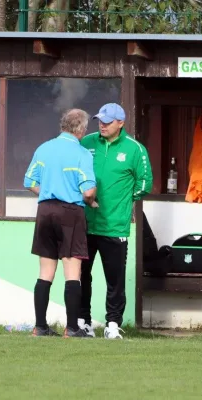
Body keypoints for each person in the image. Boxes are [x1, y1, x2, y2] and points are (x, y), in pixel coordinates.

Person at [78, 103, 152, 339]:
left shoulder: (134, 149)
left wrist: (123, 201)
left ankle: (112, 324)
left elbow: (144, 184)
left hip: (115, 226)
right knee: (82, 276)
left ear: (121, 123)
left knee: (115, 279)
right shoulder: (86, 142)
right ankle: (83, 323)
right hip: (85, 223)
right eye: (100, 120)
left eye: (108, 122)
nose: (102, 125)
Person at [24, 109, 97, 338]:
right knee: (72, 271)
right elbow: (88, 191)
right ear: (82, 130)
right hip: (70, 212)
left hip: (45, 211)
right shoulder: (82, 153)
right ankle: (72, 328)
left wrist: (46, 191)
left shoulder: (43, 148)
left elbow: (29, 181)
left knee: (45, 271)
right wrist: (92, 201)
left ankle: (40, 327)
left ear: (62, 125)